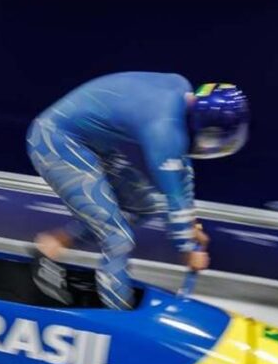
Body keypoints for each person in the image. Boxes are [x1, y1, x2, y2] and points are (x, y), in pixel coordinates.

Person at [27, 73, 249, 309]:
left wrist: (190, 225)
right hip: (56, 141)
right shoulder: (164, 131)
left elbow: (182, 173)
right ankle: (117, 312)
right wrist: (187, 248)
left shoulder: (181, 92)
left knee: (143, 206)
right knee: (118, 238)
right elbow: (174, 197)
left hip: (92, 144)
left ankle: (53, 243)